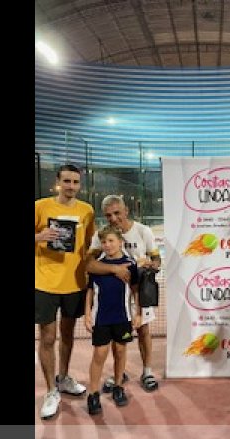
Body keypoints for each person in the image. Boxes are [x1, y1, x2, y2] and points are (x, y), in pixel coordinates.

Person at [35, 164, 95, 419]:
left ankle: (64, 378)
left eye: (75, 182)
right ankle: (51, 391)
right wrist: (38, 237)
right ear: (58, 182)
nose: (71, 186)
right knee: (47, 338)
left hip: (75, 284)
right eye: (67, 181)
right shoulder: (40, 207)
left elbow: (89, 245)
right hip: (44, 283)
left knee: (68, 335)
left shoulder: (87, 210)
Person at [86, 195, 162, 393]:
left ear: (126, 211)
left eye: (117, 213)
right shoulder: (101, 235)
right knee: (116, 337)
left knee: (143, 330)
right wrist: (116, 270)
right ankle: (119, 374)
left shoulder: (143, 231)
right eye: (108, 215)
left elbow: (157, 259)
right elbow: (90, 264)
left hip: (137, 291)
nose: (113, 218)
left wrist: (151, 265)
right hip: (114, 293)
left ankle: (147, 371)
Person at [85, 226, 142, 413]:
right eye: (104, 242)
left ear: (120, 242)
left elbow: (135, 290)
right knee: (99, 354)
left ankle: (118, 387)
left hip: (122, 318)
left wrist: (138, 313)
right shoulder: (97, 265)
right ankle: (93, 394)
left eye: (111, 241)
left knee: (120, 351)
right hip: (101, 318)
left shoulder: (130, 264)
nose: (107, 245)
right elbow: (90, 291)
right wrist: (87, 314)